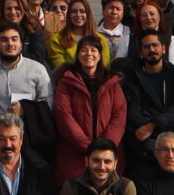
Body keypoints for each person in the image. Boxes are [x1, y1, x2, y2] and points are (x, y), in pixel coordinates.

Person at [54, 35, 127, 180]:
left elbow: (119, 114)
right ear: (77, 54)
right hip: (75, 153)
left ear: (100, 55)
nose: (89, 54)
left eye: (93, 50)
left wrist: (105, 148)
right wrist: (88, 147)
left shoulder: (112, 82)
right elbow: (64, 116)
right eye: (84, 50)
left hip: (109, 154)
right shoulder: (67, 82)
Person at [120, 29, 174, 180]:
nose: (151, 50)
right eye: (146, 47)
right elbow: (133, 111)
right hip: (142, 139)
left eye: (155, 45)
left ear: (163, 48)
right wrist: (149, 131)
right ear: (141, 52)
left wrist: (153, 125)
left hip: (170, 133)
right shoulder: (132, 78)